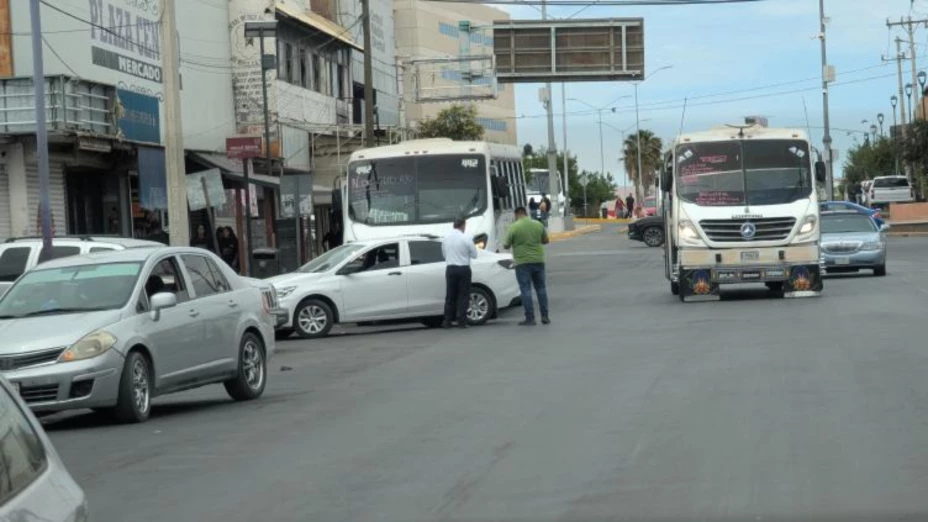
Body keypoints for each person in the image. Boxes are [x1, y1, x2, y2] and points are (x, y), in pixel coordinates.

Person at [502, 206, 550, 326]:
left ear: (517, 214)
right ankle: (545, 316)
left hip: (522, 262)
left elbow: (506, 245)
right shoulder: (537, 224)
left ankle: (530, 318)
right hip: (538, 260)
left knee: (525, 289)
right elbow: (546, 240)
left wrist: (516, 242)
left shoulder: (514, 227)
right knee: (541, 288)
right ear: (525, 213)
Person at [441, 217, 478, 329]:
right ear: (463, 225)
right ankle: (461, 321)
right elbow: (474, 255)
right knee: (463, 295)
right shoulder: (466, 238)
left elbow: (444, 254)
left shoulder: (445, 238)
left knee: (450, 295)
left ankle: (447, 320)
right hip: (463, 268)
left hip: (450, 268)